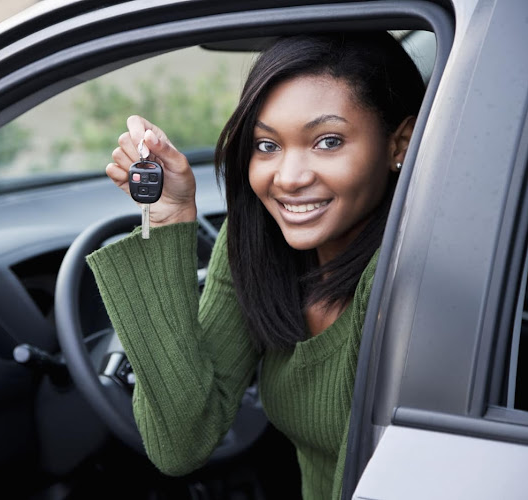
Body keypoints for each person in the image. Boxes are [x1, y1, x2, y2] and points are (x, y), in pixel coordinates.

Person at [86, 31, 425, 499]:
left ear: (399, 145)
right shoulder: (258, 245)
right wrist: (167, 221)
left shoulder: (400, 276)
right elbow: (182, 443)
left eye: (327, 142)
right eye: (267, 146)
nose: (288, 178)